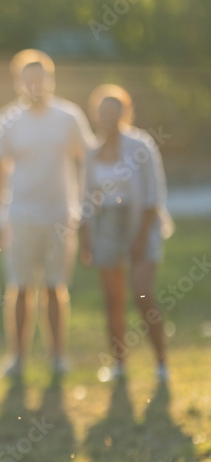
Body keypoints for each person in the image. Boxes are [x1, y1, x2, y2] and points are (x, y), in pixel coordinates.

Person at [0, 49, 96, 379]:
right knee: (19, 287)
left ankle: (57, 356)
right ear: (19, 82)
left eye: (41, 78)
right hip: (19, 217)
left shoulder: (69, 117)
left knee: (55, 286)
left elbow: (86, 160)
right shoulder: (7, 120)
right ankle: (17, 358)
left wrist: (87, 208)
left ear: (50, 79)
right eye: (28, 79)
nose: (35, 85)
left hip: (61, 216)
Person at [78, 84, 172, 383]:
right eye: (103, 112)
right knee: (112, 299)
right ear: (96, 115)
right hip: (106, 226)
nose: (108, 118)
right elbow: (86, 198)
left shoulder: (140, 146)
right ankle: (119, 363)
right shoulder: (92, 152)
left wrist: (141, 237)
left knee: (143, 294)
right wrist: (86, 237)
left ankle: (161, 362)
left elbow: (153, 194)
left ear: (124, 113)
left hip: (139, 222)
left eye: (114, 111)